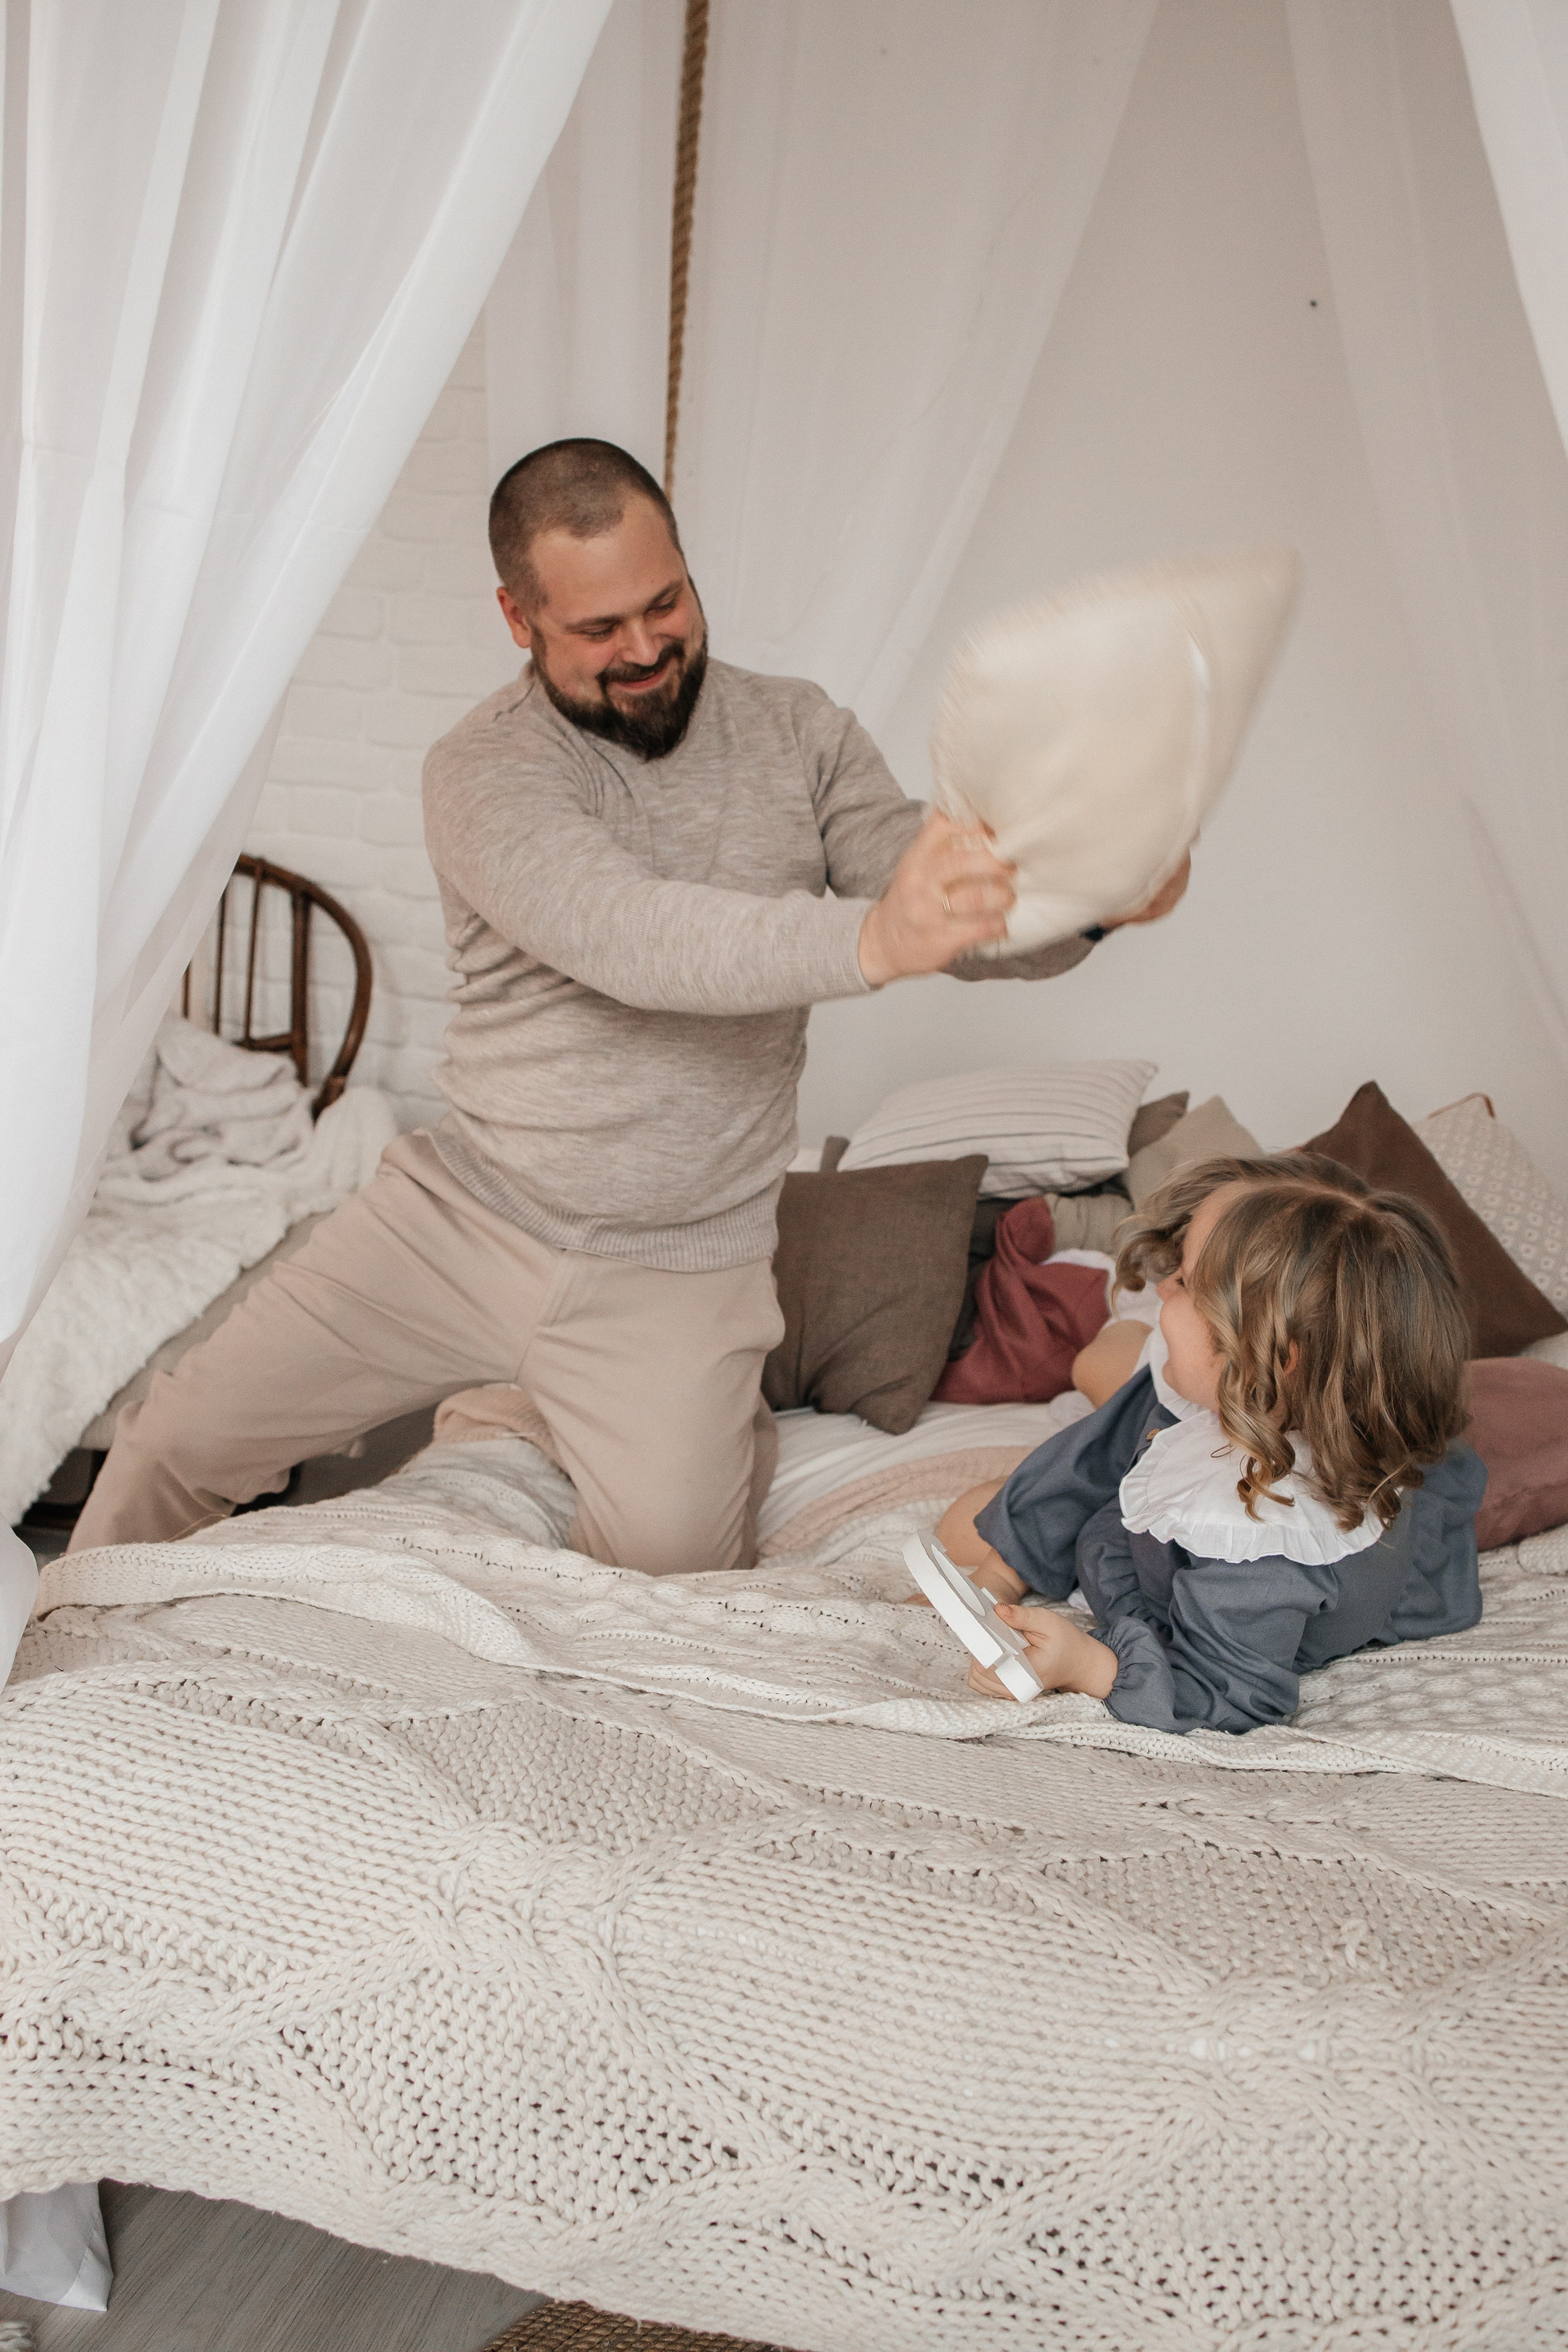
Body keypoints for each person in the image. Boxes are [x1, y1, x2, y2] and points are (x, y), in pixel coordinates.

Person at [71, 439, 1187, 1573]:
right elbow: (634, 936)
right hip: (460, 1222)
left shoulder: (800, 732)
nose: (647, 646)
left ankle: (570, 1401)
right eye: (600, 628)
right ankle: (42, 1651)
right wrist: (869, 940)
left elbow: (944, 905)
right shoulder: (482, 770)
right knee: (173, 1442)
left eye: (666, 602)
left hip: (680, 1270)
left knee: (671, 1583)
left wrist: (1088, 905)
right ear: (517, 618)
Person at [927, 1153, 1486, 1733]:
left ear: (1273, 1355)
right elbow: (1090, 1458)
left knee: (976, 1516)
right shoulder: (1244, 1395)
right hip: (1154, 1498)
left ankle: (1105, 1361)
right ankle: (1107, 1360)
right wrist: (1000, 1575)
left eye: (1188, 1283)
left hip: (1179, 1562)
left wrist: (1089, 1666)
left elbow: (1226, 1693)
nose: (1164, 1287)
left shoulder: (1262, 1537)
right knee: (1047, 1466)